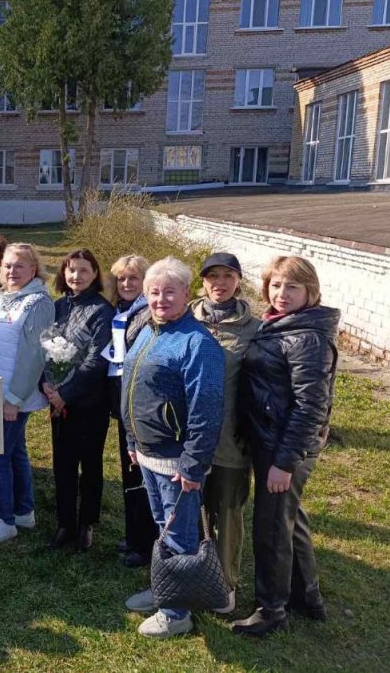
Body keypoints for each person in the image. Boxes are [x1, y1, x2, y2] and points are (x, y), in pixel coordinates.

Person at [232, 256, 340, 637]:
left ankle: (271, 608)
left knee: (272, 526)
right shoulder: (279, 324)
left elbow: (312, 405)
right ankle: (306, 595)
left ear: (310, 291)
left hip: (283, 445)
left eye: (292, 287)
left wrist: (284, 461)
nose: (282, 294)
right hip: (270, 437)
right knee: (289, 518)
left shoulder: (307, 337)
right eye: (276, 285)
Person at [121, 257, 224, 639]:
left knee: (179, 534)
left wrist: (194, 464)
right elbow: (133, 388)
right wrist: (132, 439)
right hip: (147, 452)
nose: (160, 299)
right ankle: (165, 588)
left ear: (186, 293)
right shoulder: (149, 330)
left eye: (169, 291)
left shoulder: (196, 343)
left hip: (176, 459)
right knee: (161, 529)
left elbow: (207, 408)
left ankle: (176, 612)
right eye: (154, 292)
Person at [190, 253, 260, 614]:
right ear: (202, 282)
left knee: (228, 513)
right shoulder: (185, 318)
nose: (219, 283)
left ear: (238, 280)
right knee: (192, 511)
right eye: (212, 276)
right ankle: (193, 575)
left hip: (232, 439)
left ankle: (225, 584)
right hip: (189, 438)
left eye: (227, 276)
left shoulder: (253, 328)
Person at [0, 243, 55, 547]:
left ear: (34, 269)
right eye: (7, 265)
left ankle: (4, 519)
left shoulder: (37, 303)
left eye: (19, 265)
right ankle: (24, 510)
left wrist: (13, 399)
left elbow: (34, 355)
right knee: (15, 451)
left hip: (12, 397)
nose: (11, 271)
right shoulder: (3, 298)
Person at [41, 249, 113, 553]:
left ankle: (87, 524)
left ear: (95, 274)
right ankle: (65, 522)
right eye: (71, 270)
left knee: (91, 465)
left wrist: (64, 394)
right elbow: (43, 349)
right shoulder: (58, 306)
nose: (76, 276)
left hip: (89, 403)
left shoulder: (101, 310)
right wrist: (47, 385)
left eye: (83, 271)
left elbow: (97, 360)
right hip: (59, 405)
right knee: (63, 465)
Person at [102, 254, 158, 568]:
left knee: (140, 471)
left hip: (140, 403)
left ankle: (146, 542)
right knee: (128, 469)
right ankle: (133, 533)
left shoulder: (148, 312)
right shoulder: (120, 310)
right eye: (122, 279)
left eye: (133, 279)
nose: (126, 284)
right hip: (121, 399)